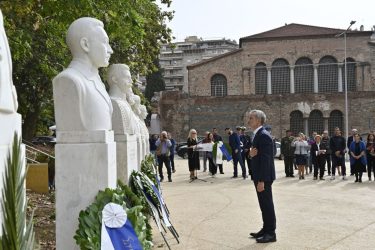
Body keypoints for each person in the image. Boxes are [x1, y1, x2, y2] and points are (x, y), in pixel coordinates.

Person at [53, 17, 113, 131]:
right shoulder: (69, 80)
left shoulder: (97, 82)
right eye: (105, 43)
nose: (110, 50)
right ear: (85, 44)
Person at [248, 110, 276, 243]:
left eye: (251, 118)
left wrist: (262, 180)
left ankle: (271, 233)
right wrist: (250, 154)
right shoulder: (258, 134)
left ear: (258, 121)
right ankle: (265, 229)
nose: (249, 121)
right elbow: (255, 154)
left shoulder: (263, 135)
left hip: (263, 177)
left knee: (267, 204)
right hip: (259, 176)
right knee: (263, 204)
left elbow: (266, 160)